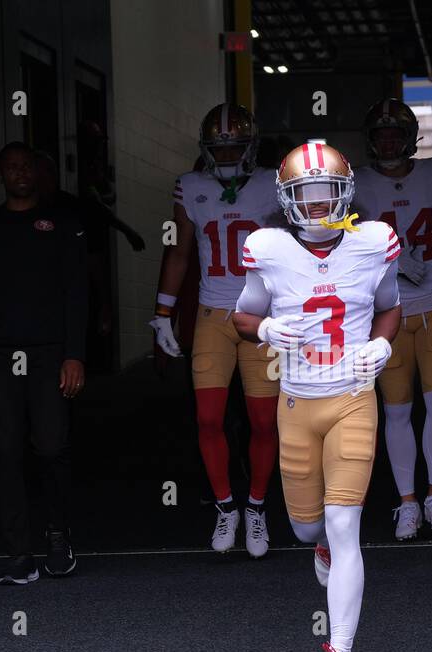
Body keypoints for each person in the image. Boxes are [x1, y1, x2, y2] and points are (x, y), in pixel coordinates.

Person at [232, 141, 402, 652]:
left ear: (346, 192)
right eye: (306, 194)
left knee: (345, 524)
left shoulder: (373, 242)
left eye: (328, 191)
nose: (318, 203)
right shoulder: (269, 248)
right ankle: (319, 547)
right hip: (296, 404)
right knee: (309, 528)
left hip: (353, 397)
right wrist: (261, 331)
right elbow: (242, 313)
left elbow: (391, 306)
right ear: (287, 199)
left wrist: (381, 345)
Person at [0, 142, 89, 584]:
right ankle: (19, 552)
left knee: (52, 445)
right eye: (10, 167)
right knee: (6, 451)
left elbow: (77, 295)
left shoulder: (62, 226)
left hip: (50, 352)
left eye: (26, 165)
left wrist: (75, 354)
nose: (19, 173)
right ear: (0, 173)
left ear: (38, 171)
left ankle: (57, 535)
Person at [149, 104, 282, 556]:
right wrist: (162, 313)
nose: (226, 155)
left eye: (234, 146)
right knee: (208, 418)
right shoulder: (191, 187)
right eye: (219, 147)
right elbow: (180, 253)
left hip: (261, 319)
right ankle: (227, 507)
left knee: (264, 421)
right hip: (211, 317)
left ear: (251, 146)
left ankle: (257, 508)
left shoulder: (272, 183)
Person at [351, 98, 432, 539]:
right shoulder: (358, 183)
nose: (388, 141)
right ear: (371, 140)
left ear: (409, 138)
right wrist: (392, 258)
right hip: (386, 308)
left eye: (394, 133)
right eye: (381, 134)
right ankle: (407, 501)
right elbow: (345, 240)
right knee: (397, 409)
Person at [32, 149, 145, 339]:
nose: (47, 178)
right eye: (42, 172)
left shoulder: (72, 208)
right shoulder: (21, 213)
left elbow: (94, 256)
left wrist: (105, 305)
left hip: (67, 299)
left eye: (50, 171)